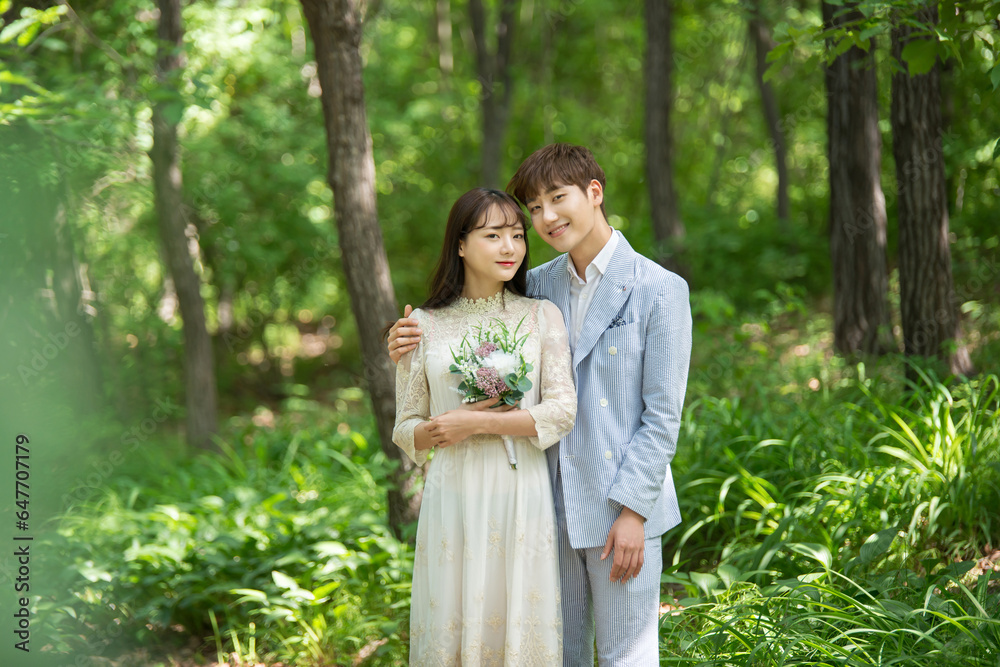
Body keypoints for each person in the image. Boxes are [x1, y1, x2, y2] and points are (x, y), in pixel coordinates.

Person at [390, 145, 692, 666]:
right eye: (534, 207)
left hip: (620, 507)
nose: (547, 217)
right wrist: (401, 339)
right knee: (559, 656)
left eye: (558, 198)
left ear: (594, 193)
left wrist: (634, 512)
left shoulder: (658, 289)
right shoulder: (536, 284)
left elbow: (662, 416)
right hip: (541, 508)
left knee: (627, 658)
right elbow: (468, 318)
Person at [392, 187, 577, 665]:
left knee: (517, 620)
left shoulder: (541, 316)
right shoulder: (422, 325)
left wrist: (473, 422)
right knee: (452, 621)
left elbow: (562, 411)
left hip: (521, 492)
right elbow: (405, 425)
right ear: (460, 244)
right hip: (452, 494)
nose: (509, 247)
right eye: (493, 235)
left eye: (517, 235)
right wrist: (435, 432)